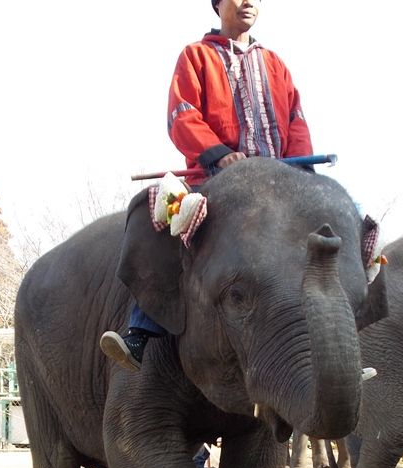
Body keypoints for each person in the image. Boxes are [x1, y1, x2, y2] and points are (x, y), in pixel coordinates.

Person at [100, 0, 313, 371]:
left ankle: (344, 335)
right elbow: (181, 114)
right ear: (218, 5)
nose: (248, 2)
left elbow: (296, 121)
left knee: (329, 232)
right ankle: (140, 331)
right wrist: (218, 154)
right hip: (215, 181)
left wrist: (303, 172)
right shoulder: (195, 57)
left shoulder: (276, 64)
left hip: (277, 185)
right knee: (166, 226)